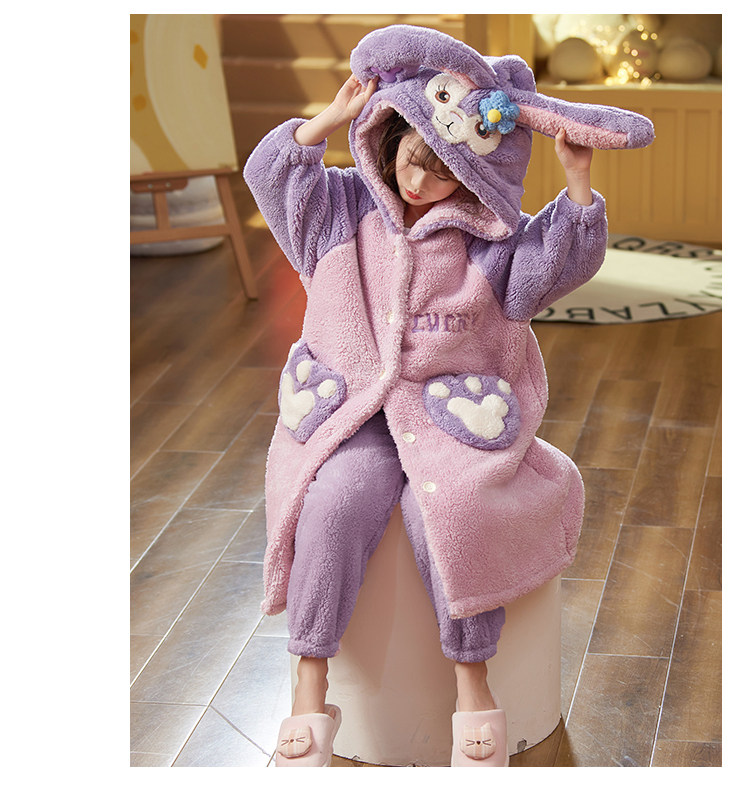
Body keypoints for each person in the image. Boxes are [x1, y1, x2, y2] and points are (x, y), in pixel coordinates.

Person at [244, 25, 654, 767]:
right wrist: (327, 120)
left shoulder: (489, 246)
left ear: (470, 174)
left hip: (452, 421)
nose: (418, 182)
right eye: (411, 158)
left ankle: (474, 687)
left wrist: (577, 184)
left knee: (451, 512)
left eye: (442, 173)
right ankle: (310, 690)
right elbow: (273, 176)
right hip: (351, 413)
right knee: (335, 500)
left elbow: (555, 265)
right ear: (391, 136)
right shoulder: (339, 213)